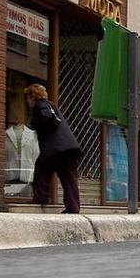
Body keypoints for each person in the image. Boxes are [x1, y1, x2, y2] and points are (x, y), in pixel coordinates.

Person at [25, 84, 82, 214]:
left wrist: (37, 124)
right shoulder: (51, 105)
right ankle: (73, 208)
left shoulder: (41, 104)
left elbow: (47, 117)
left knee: (41, 168)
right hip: (69, 147)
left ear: (33, 97)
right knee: (69, 177)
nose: (27, 102)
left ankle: (41, 198)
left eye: (28, 98)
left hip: (57, 148)